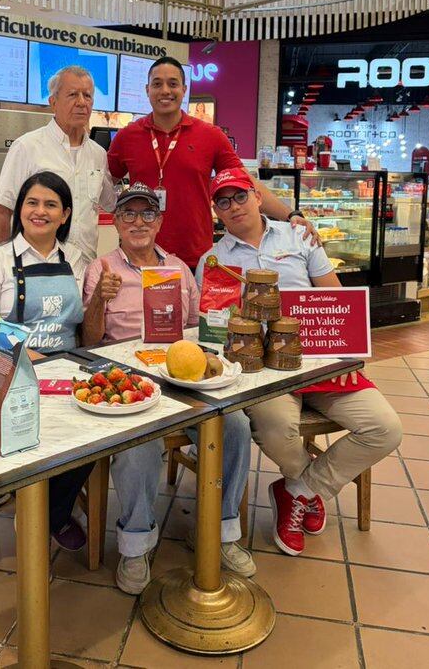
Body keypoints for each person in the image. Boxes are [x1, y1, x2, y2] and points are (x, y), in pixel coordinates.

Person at [197, 168, 403, 558]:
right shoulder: (212, 260)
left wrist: (349, 350)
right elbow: (210, 328)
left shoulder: (300, 237)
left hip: (320, 360)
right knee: (276, 427)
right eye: (223, 201)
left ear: (258, 197)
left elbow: (337, 302)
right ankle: (308, 485)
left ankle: (298, 490)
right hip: (262, 373)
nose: (234, 206)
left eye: (240, 196)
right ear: (216, 212)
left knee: (385, 428)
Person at [82, 182, 255, 595]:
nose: (138, 222)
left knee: (236, 428)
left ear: (159, 221)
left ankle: (220, 531)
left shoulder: (178, 268)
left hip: (181, 377)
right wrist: (99, 302)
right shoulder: (101, 268)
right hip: (129, 381)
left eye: (147, 214)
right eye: (128, 214)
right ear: (116, 222)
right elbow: (88, 341)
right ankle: (136, 542)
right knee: (138, 447)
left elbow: (199, 327)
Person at [0, 171, 90, 550]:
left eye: (51, 204)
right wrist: (29, 358)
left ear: (64, 215)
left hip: (66, 369)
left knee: (96, 429)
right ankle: (37, 503)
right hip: (8, 375)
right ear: (19, 210)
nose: (40, 211)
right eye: (32, 203)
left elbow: (88, 324)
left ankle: (50, 512)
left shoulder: (79, 260)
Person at [106, 56, 319, 269]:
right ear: (147, 89)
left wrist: (290, 214)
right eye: (157, 84)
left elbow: (246, 182)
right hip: (140, 256)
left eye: (173, 84)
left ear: (184, 89)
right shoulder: (127, 137)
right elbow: (102, 185)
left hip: (196, 258)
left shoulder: (210, 135)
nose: (165, 91)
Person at [0, 66, 117, 262]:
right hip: (36, 265)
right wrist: (1, 265)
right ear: (53, 102)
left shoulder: (98, 154)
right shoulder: (27, 147)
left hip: (84, 267)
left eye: (88, 95)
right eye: (73, 94)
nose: (82, 103)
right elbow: (2, 210)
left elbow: (111, 204)